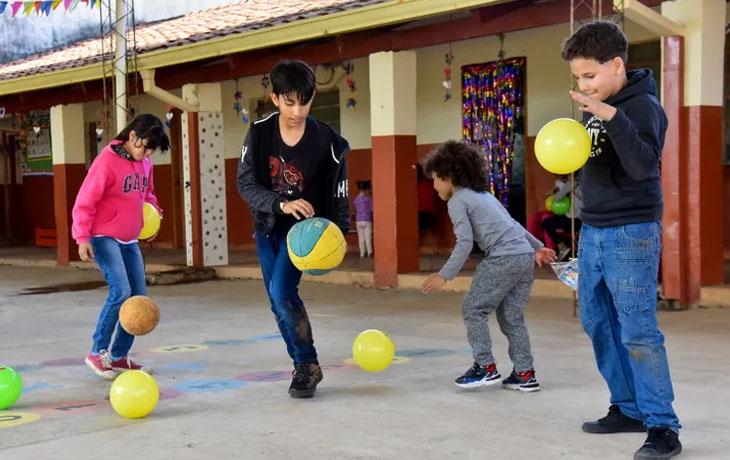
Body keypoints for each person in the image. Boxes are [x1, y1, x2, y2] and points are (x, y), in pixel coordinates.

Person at [563, 20, 681, 459]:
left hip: (632, 231)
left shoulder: (643, 106)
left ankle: (662, 426)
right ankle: (627, 406)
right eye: (578, 78)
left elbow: (641, 165)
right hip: (594, 227)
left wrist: (612, 118)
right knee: (596, 321)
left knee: (637, 330)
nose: (584, 86)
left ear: (617, 65)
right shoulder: (599, 101)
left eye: (590, 76)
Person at [237, 60, 350, 399]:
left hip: (304, 232)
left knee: (282, 292)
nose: (298, 110)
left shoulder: (329, 142)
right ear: (274, 98)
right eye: (290, 102)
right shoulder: (259, 134)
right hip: (268, 225)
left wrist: (338, 235)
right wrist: (280, 204)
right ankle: (303, 364)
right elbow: (245, 184)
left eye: (305, 101)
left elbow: (339, 194)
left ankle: (307, 364)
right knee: (276, 299)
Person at [420, 140, 556, 393]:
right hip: (523, 257)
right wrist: (537, 246)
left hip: (503, 258)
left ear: (449, 176)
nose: (434, 184)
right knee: (512, 317)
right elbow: (513, 224)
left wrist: (444, 275)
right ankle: (525, 374)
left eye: (436, 178)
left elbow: (464, 243)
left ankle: (485, 367)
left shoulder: (458, 201)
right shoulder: (484, 196)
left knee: (473, 309)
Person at [72, 114, 170, 380]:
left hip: (129, 238)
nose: (147, 153)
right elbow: (85, 201)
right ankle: (97, 350)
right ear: (132, 137)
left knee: (138, 295)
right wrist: (82, 237)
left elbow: (147, 193)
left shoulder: (145, 163)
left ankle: (118, 356)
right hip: (103, 236)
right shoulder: (106, 161)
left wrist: (154, 211)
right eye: (145, 146)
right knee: (121, 290)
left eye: (152, 150)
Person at [353, 180, 373, 258]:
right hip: (367, 220)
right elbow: (372, 209)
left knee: (360, 237)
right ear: (366, 190)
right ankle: (369, 252)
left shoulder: (356, 200)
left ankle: (362, 253)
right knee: (368, 237)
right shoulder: (368, 199)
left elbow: (355, 209)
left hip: (358, 220)